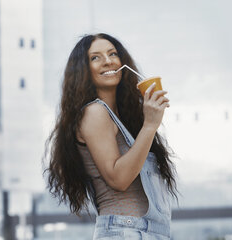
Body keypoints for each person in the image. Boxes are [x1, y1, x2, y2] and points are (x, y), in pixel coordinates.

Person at [44, 33, 178, 239]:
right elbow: (118, 179)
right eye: (95, 57)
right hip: (126, 231)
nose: (108, 61)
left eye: (112, 54)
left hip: (145, 232)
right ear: (83, 70)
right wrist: (150, 126)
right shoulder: (94, 113)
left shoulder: (122, 117)